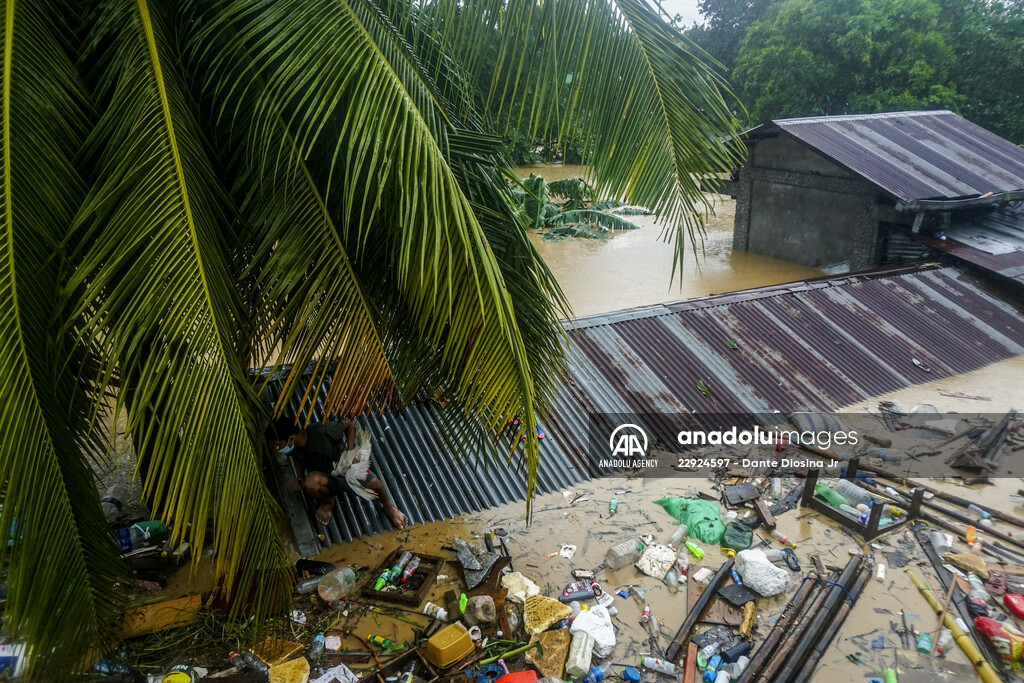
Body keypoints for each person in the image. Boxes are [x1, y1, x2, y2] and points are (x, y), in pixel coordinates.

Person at [267, 418, 408, 529]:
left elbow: (350, 424)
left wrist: (351, 452)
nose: (277, 448)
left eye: (278, 444)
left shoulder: (321, 431)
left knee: (375, 484)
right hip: (325, 478)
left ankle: (389, 507)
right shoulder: (293, 448)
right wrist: (299, 476)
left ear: (291, 438)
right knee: (310, 483)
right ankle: (328, 502)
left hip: (344, 469)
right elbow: (297, 459)